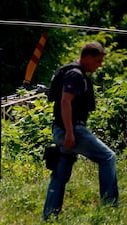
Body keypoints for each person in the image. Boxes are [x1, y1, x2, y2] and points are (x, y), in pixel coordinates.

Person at [43, 42, 119, 220]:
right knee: (108, 157)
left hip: (63, 130)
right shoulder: (75, 75)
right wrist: (70, 132)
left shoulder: (72, 72)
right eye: (98, 61)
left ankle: (49, 215)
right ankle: (110, 206)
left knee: (60, 172)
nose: (99, 65)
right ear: (88, 57)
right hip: (71, 130)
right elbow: (65, 102)